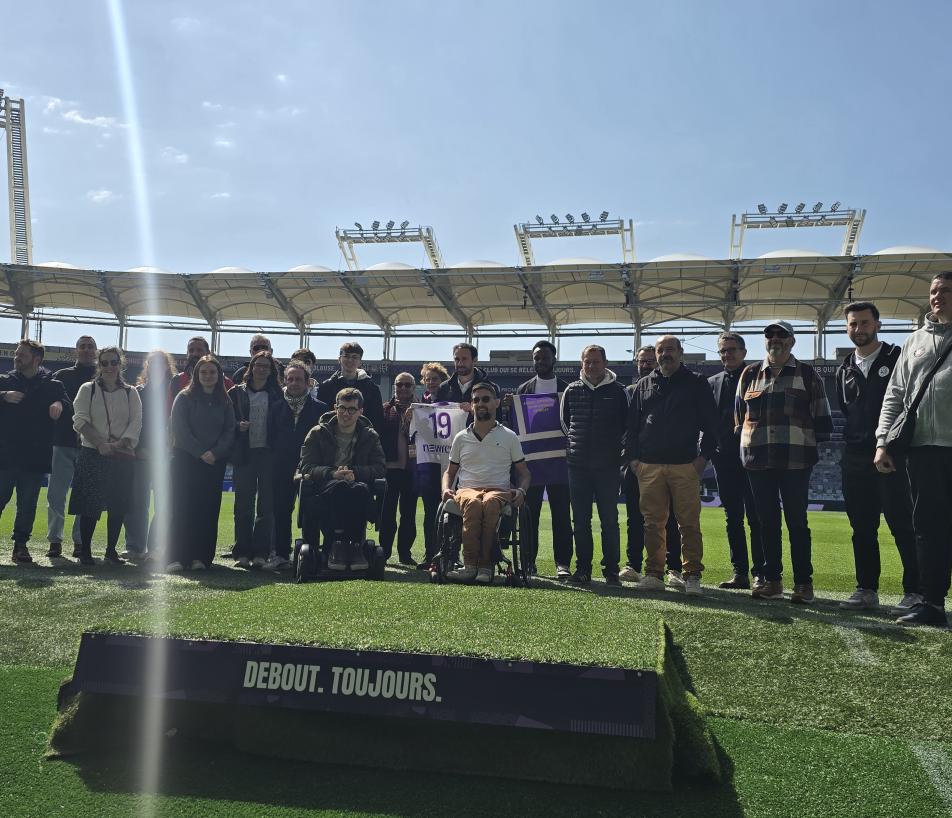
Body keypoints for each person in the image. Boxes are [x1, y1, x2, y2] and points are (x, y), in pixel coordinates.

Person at [736, 321, 833, 604]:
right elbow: (739, 416)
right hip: (759, 459)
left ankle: (804, 583)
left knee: (797, 522)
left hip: (796, 459)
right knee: (766, 522)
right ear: (765, 341)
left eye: (781, 335)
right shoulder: (750, 373)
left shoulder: (807, 374)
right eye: (770, 335)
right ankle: (772, 581)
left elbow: (823, 420)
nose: (775, 339)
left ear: (792, 341)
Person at [876, 272, 952, 627]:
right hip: (922, 448)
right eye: (934, 291)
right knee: (928, 526)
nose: (938, 297)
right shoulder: (914, 341)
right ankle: (931, 603)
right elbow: (895, 395)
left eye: (947, 291)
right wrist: (882, 442)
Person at [837, 302, 919, 612]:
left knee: (902, 526)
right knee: (862, 528)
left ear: (878, 325)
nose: (859, 329)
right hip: (855, 458)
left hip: (893, 456)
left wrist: (892, 445)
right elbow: (848, 412)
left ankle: (915, 591)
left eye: (864, 323)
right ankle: (866, 589)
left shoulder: (897, 358)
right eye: (853, 324)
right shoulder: (845, 368)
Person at [626, 336, 718, 596]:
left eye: (669, 349)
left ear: (680, 353)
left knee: (688, 523)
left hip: (684, 465)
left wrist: (702, 460)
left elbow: (712, 425)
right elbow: (631, 427)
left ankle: (692, 576)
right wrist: (634, 461)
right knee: (652, 523)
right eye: (660, 350)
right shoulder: (644, 384)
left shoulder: (696, 383)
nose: (665, 354)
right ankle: (654, 573)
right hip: (649, 466)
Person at [442, 383, 531, 584]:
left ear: (496, 403)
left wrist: (522, 491)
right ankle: (470, 565)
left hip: (498, 490)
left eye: (485, 399)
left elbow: (524, 474)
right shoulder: (461, 437)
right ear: (471, 406)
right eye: (476, 400)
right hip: (467, 490)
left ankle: (486, 565)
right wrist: (446, 488)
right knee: (473, 504)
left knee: (490, 502)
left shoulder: (509, 436)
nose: (480, 404)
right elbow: (449, 472)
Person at [560, 344, 629, 586]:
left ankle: (611, 571)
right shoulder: (571, 390)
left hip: (608, 466)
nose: (591, 366)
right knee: (580, 521)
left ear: (605, 363)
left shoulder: (619, 392)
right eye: (587, 362)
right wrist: (576, 446)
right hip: (577, 466)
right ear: (582, 363)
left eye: (596, 362)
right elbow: (565, 424)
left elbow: (627, 426)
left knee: (609, 520)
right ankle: (583, 570)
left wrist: (613, 452)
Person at [297, 387, 386, 570]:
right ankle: (336, 544)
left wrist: (356, 472)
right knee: (340, 488)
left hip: (357, 484)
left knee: (357, 489)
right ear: (335, 408)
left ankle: (352, 546)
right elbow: (306, 466)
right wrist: (331, 473)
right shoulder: (317, 433)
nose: (346, 414)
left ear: (360, 411)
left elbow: (379, 468)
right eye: (342, 408)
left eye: (352, 409)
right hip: (325, 486)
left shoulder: (370, 436)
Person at [69, 347, 143, 566]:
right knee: (89, 505)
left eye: (113, 362)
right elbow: (80, 419)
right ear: (98, 366)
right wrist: (100, 443)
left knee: (118, 505)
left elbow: (136, 422)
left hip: (122, 454)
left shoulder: (131, 392)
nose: (109, 367)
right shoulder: (87, 389)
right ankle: (86, 551)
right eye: (104, 363)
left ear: (120, 365)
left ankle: (111, 550)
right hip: (93, 453)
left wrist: (119, 444)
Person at [0, 340, 68, 563]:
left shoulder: (53, 384)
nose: (16, 357)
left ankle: (20, 546)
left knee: (27, 505)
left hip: (35, 456)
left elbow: (69, 407)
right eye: (17, 354)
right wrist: (3, 396)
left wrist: (59, 403)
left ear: (36, 359)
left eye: (22, 354)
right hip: (5, 455)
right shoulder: (5, 381)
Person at [621, 345, 684, 586]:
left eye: (650, 361)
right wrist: (631, 459)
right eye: (641, 361)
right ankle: (632, 564)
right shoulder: (628, 391)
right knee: (634, 517)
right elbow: (626, 429)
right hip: (636, 465)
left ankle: (673, 568)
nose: (645, 364)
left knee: (669, 518)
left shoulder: (667, 389)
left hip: (664, 463)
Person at [168, 355, 235, 572]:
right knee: (181, 508)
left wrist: (214, 453)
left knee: (206, 509)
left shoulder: (225, 401)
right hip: (185, 461)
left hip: (213, 463)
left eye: (212, 372)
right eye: (203, 372)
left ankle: (201, 557)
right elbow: (180, 429)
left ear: (219, 376)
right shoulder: (184, 397)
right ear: (196, 374)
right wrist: (200, 452)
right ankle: (176, 557)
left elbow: (229, 431)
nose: (208, 376)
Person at [707, 332, 764, 590]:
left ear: (743, 351)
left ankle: (760, 573)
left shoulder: (758, 376)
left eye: (731, 350)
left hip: (753, 458)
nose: (727, 355)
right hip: (724, 459)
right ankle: (739, 572)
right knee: (733, 518)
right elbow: (708, 422)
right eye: (722, 351)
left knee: (756, 517)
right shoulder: (712, 382)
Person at [515, 340, 573, 579]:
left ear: (554, 360)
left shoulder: (568, 389)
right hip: (532, 463)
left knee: (561, 514)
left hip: (560, 461)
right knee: (531, 515)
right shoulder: (523, 390)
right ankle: (529, 561)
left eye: (544, 358)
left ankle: (563, 563)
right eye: (536, 358)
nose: (540, 362)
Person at [268, 360, 327, 569]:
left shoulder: (321, 409)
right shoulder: (275, 407)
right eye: (290, 379)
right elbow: (270, 438)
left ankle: (311, 554)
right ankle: (281, 554)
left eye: (298, 379)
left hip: (309, 469)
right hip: (281, 467)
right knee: (281, 511)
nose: (294, 383)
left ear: (308, 382)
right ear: (285, 380)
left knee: (311, 512)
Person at [228, 351, 283, 569]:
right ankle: (241, 551)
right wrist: (236, 426)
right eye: (257, 365)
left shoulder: (278, 394)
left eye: (266, 366)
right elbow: (225, 421)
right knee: (243, 505)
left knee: (266, 507)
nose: (261, 369)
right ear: (251, 368)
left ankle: (261, 552)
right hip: (245, 453)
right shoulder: (236, 392)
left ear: (271, 371)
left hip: (268, 454)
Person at [47, 335, 97, 559]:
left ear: (95, 351)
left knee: (85, 496)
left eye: (90, 347)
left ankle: (80, 541)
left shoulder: (102, 378)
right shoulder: (61, 376)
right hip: (63, 442)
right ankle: (55, 541)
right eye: (82, 347)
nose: (86, 350)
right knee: (56, 494)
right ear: (76, 350)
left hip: (90, 445)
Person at [124, 350, 175, 561]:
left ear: (167, 367)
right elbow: (133, 423)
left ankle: (156, 548)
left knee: (164, 503)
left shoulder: (175, 390)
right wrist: (138, 448)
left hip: (166, 454)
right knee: (137, 502)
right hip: (142, 453)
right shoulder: (138, 391)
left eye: (160, 364)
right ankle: (134, 546)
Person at [413, 362, 450, 569]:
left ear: (442, 380)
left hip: (447, 464)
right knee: (429, 513)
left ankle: (450, 554)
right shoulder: (421, 404)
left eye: (435, 379)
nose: (431, 382)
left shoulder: (451, 401)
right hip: (428, 464)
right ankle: (430, 554)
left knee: (450, 512)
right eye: (428, 379)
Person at [379, 372, 418, 565]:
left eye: (407, 385)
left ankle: (405, 553)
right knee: (387, 514)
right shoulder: (384, 410)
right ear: (394, 386)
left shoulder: (423, 411)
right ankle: (384, 553)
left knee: (408, 515)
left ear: (414, 387)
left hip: (412, 470)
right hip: (390, 469)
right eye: (399, 385)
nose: (403, 388)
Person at [317, 342, 384, 432]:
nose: (350, 360)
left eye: (354, 357)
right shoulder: (326, 387)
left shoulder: (372, 389)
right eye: (346, 356)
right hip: (332, 438)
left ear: (360, 362)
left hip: (363, 440)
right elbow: (321, 417)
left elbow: (377, 419)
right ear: (339, 359)